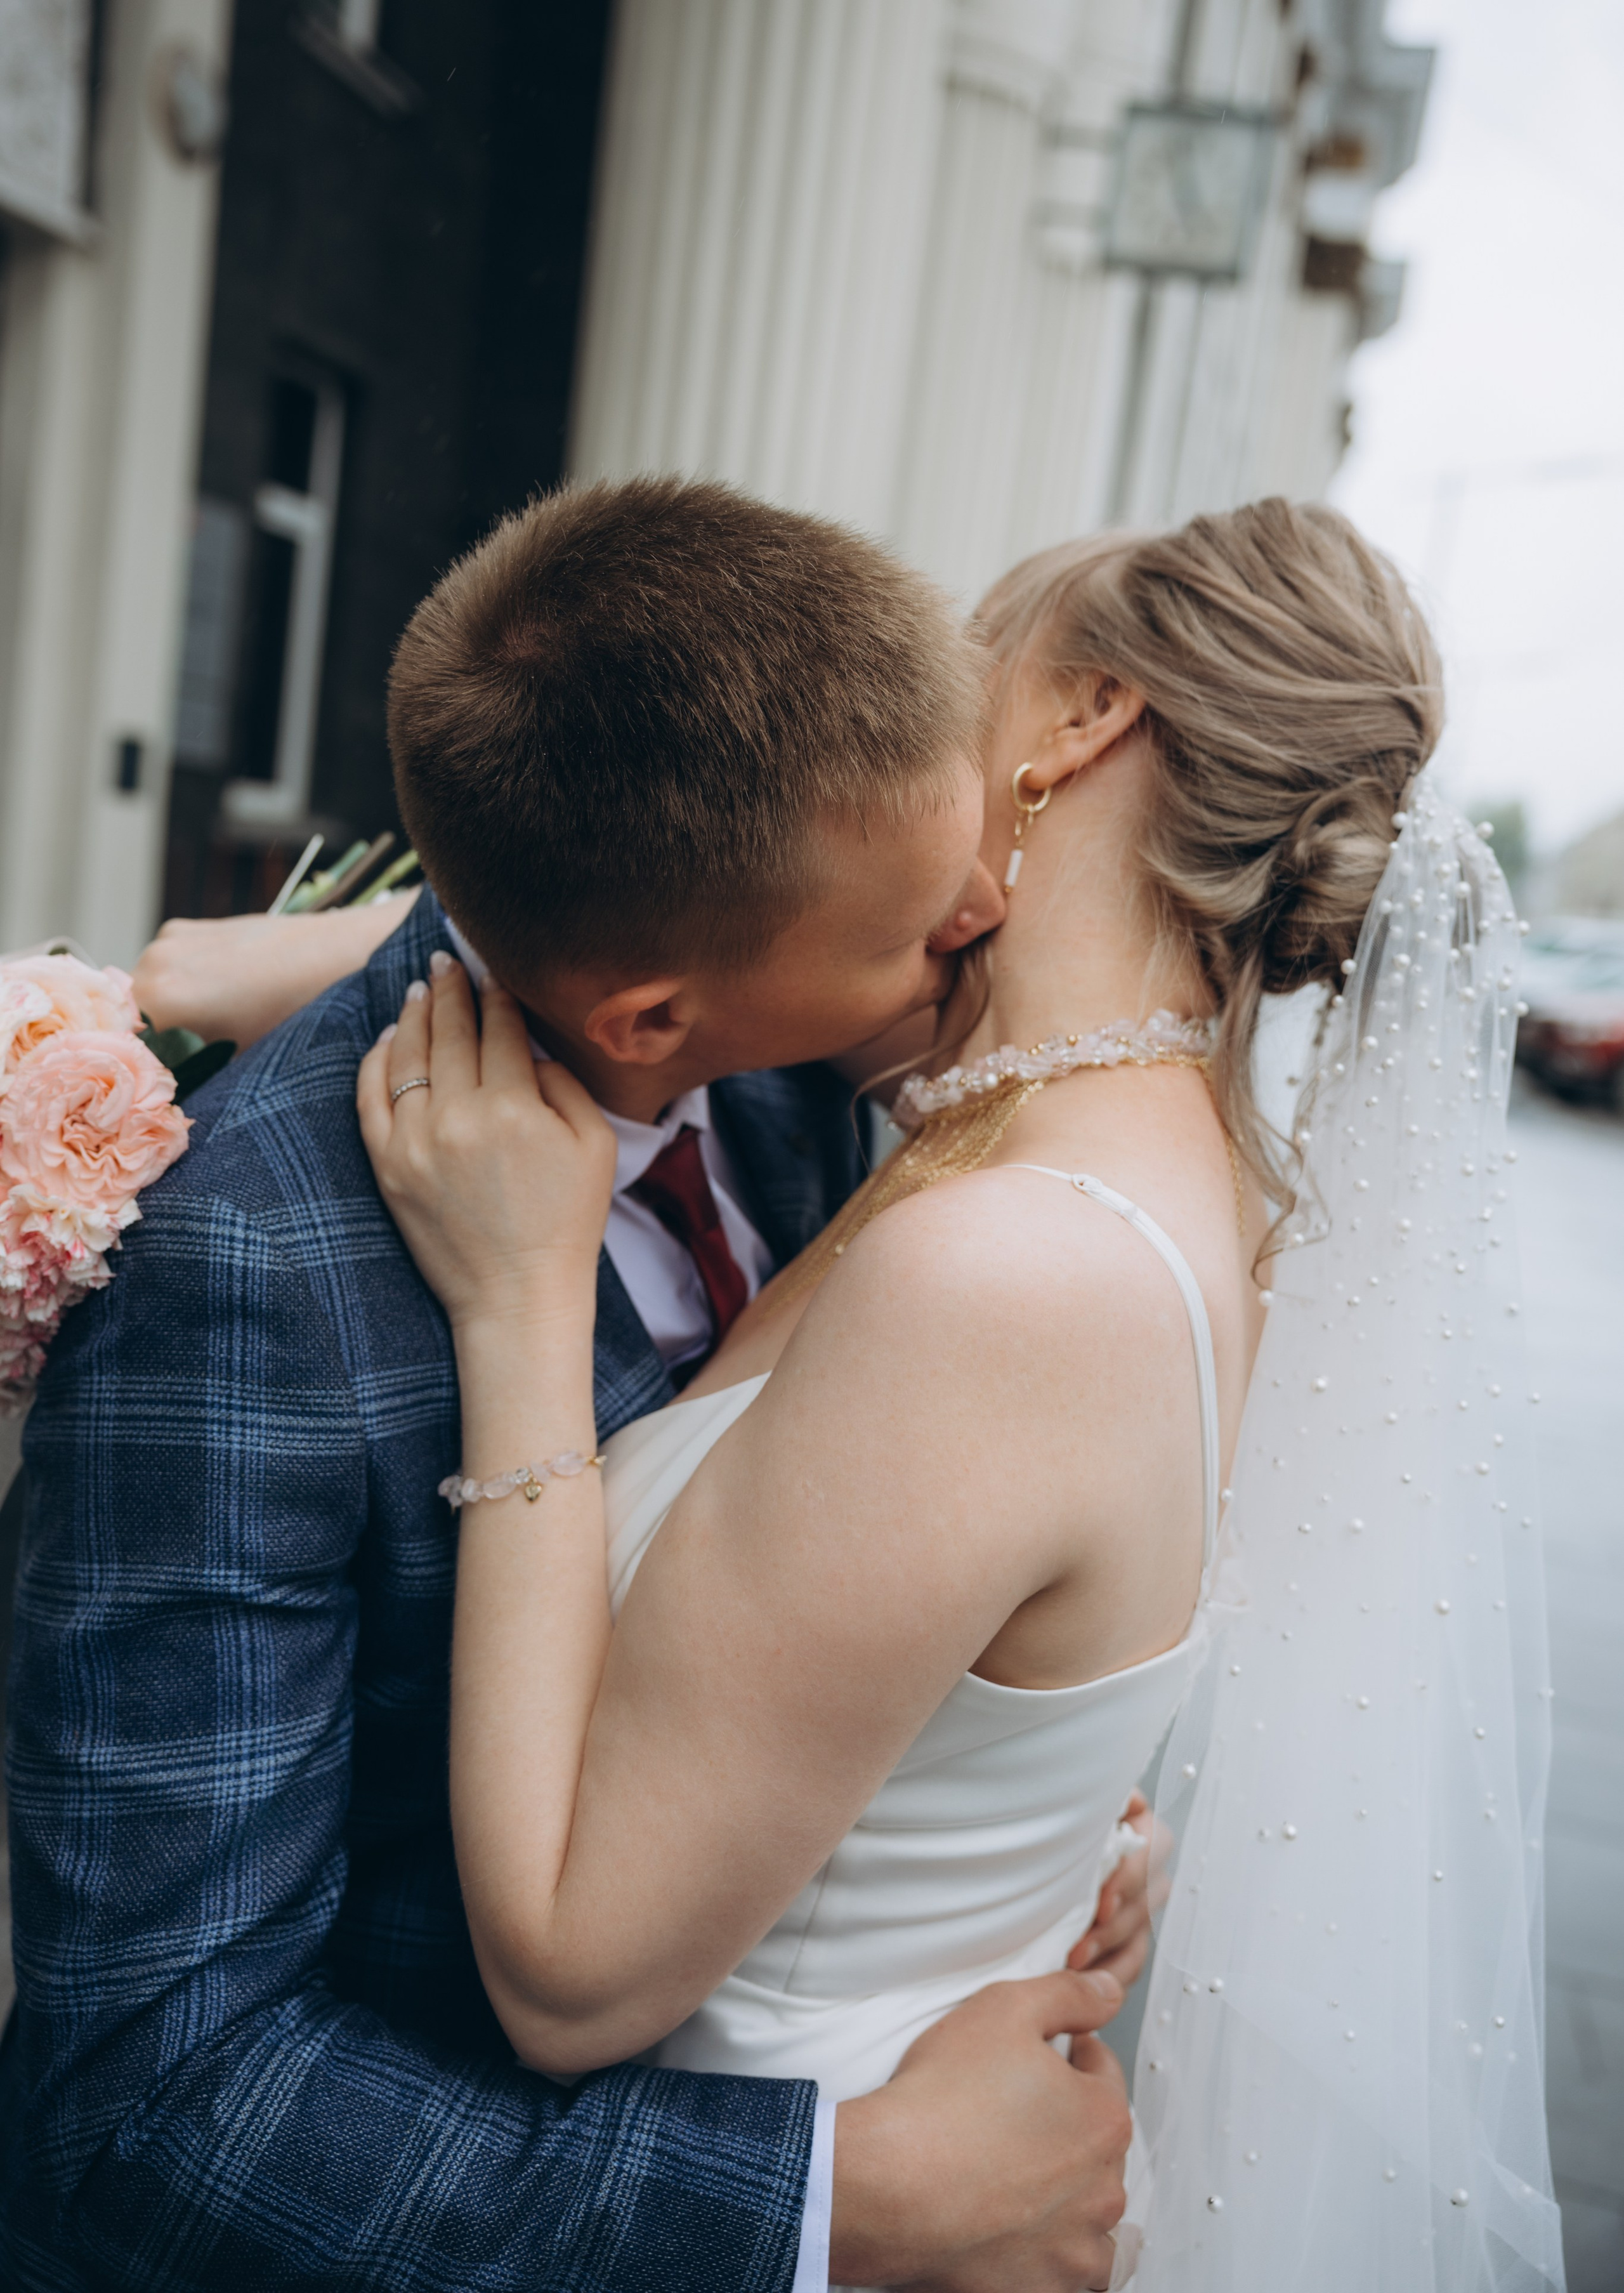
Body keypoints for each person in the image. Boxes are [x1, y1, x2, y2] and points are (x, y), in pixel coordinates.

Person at [346, 498, 1558, 2290]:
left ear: (1083, 718)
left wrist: (522, 1308)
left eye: (967, 662)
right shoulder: (1159, 1187)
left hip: (793, 2188)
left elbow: (571, 1970)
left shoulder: (1011, 1271)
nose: (919, 716)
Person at [1, 480, 1151, 2293]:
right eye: (926, 915)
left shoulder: (794, 1063)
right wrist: (832, 2200)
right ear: (644, 1017)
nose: (990, 916)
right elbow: (152, 2100)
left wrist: (1012, 1816)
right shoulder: (241, 1296)